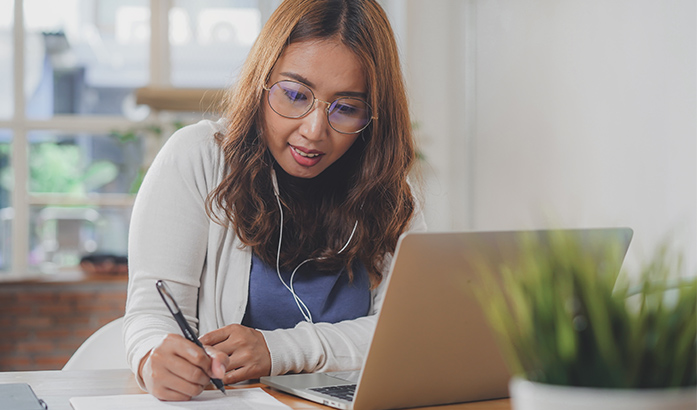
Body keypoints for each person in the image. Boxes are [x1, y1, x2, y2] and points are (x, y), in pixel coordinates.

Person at [123, 0, 426, 401]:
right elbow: (152, 316)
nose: (315, 130)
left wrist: (276, 349)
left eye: (347, 108)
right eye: (296, 95)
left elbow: (405, 335)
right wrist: (151, 359)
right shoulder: (198, 158)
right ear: (261, 80)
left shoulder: (388, 189)